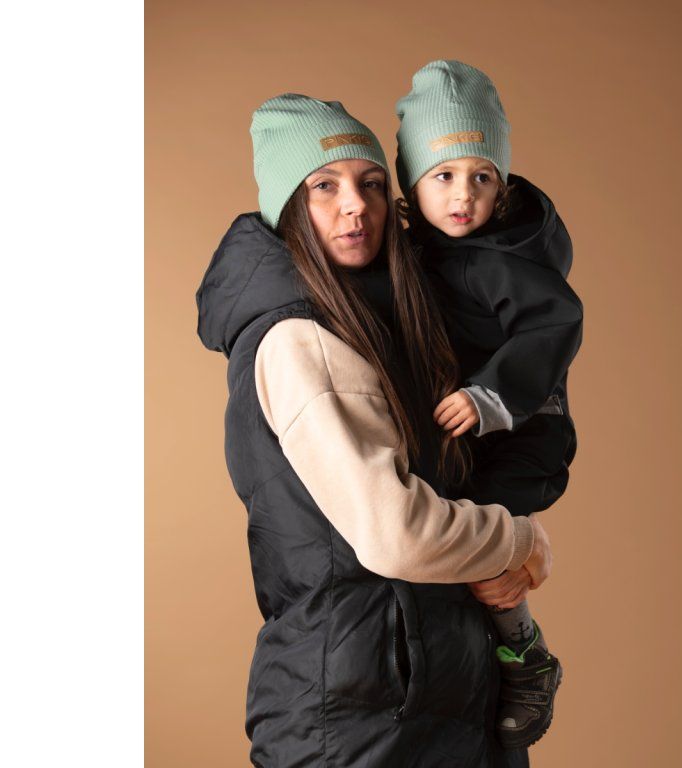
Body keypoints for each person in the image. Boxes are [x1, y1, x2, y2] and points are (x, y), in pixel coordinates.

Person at [196, 93, 553, 767]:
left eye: (371, 184)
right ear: (287, 206)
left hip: (425, 694)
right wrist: (516, 541)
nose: (356, 206)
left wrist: (496, 572)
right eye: (324, 187)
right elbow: (397, 534)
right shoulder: (300, 339)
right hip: (361, 717)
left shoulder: (382, 323)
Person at [395, 60, 584, 748]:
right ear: (410, 182)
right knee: (455, 540)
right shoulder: (421, 249)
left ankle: (526, 655)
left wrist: (488, 396)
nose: (463, 195)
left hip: (524, 431)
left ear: (502, 186)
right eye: (443, 175)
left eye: (482, 177)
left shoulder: (501, 258)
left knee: (481, 545)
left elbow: (552, 326)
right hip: (475, 431)